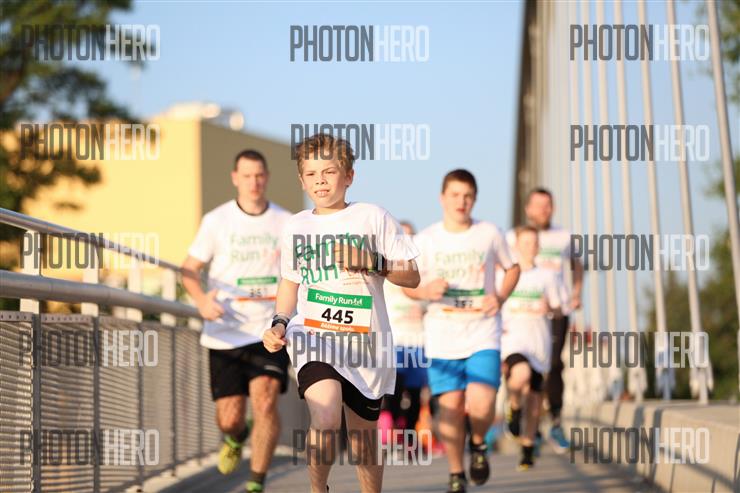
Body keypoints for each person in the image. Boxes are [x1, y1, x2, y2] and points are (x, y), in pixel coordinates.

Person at [263, 133, 420, 493]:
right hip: (313, 335)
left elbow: (412, 275)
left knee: (364, 440)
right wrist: (280, 322)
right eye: (311, 174)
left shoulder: (373, 217)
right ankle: (319, 490)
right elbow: (290, 282)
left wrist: (372, 262)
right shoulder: (296, 226)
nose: (320, 181)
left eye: (329, 172)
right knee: (326, 415)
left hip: (366, 343)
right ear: (301, 181)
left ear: (348, 176)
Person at [403, 169, 520, 493]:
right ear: (442, 198)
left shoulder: (489, 233)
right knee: (451, 408)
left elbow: (513, 269)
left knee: (481, 403)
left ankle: (479, 442)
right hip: (443, 336)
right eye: (455, 195)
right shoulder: (426, 240)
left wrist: (500, 296)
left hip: (483, 332)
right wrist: (425, 291)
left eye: (467, 196)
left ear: (475, 199)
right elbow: (407, 284)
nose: (461, 201)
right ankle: (456, 472)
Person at [182, 150, 291, 493]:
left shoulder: (286, 221)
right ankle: (236, 436)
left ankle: (255, 482)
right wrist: (201, 300)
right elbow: (189, 269)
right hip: (225, 332)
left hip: (268, 330)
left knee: (266, 402)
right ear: (235, 178)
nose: (253, 182)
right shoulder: (217, 220)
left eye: (259, 175)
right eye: (247, 176)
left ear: (267, 177)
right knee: (229, 418)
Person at [506, 187, 583, 453]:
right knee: (524, 369)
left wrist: (576, 293)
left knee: (554, 364)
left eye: (548, 205)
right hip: (523, 315)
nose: (543, 210)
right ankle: (530, 425)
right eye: (538, 205)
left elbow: (577, 264)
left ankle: (556, 423)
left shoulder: (564, 237)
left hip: (555, 309)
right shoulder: (512, 236)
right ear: (528, 209)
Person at [499, 226, 563, 471]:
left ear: (538, 247)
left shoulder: (548, 276)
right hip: (513, 340)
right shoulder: (505, 274)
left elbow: (560, 309)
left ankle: (527, 447)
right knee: (520, 375)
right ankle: (514, 407)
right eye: (525, 243)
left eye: (534, 243)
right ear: (516, 246)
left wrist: (550, 308)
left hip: (539, 342)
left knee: (535, 399)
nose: (530, 247)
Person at [379, 221, 429, 449]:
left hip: (418, 342)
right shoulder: (385, 272)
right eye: (402, 237)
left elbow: (432, 301)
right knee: (394, 390)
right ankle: (391, 433)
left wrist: (424, 309)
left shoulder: (421, 272)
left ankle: (409, 439)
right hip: (394, 342)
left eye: (410, 237)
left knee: (416, 393)